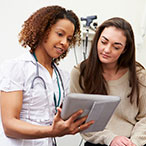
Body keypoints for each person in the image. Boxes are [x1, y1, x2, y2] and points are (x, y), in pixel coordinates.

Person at [0, 5, 94, 146]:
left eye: (69, 39)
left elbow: (60, 116)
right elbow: (10, 126)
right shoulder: (17, 67)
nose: (64, 43)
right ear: (43, 31)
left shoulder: (62, 76)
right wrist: (51, 131)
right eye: (60, 34)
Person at [70, 17, 146, 146]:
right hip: (97, 142)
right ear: (97, 40)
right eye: (104, 42)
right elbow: (80, 119)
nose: (106, 50)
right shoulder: (80, 73)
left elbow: (145, 117)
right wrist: (110, 138)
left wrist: (134, 142)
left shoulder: (138, 75)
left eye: (116, 47)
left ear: (125, 50)